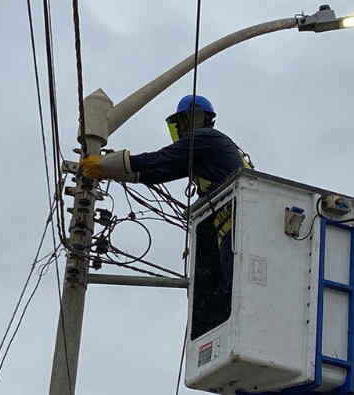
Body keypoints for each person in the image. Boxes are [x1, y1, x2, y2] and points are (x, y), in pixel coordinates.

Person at [79, 94, 253, 296]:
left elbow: (160, 158)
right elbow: (159, 173)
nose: (180, 129)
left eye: (183, 121)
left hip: (236, 225)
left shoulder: (207, 138)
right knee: (228, 285)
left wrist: (104, 164)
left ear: (200, 118)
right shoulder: (201, 154)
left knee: (235, 289)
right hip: (230, 228)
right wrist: (110, 172)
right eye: (177, 124)